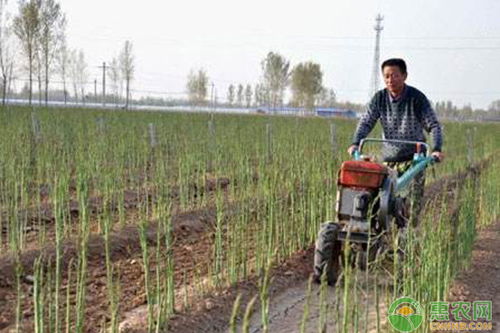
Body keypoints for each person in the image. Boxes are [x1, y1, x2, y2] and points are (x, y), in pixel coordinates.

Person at [348, 58, 444, 225]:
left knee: (412, 203)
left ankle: (409, 237)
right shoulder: (379, 98)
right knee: (379, 199)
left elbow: (433, 125)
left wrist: (436, 148)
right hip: (390, 159)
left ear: (404, 76)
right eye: (386, 76)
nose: (390, 80)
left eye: (394, 75)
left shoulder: (417, 98)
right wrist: (356, 142)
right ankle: (377, 235)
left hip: (414, 160)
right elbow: (366, 121)